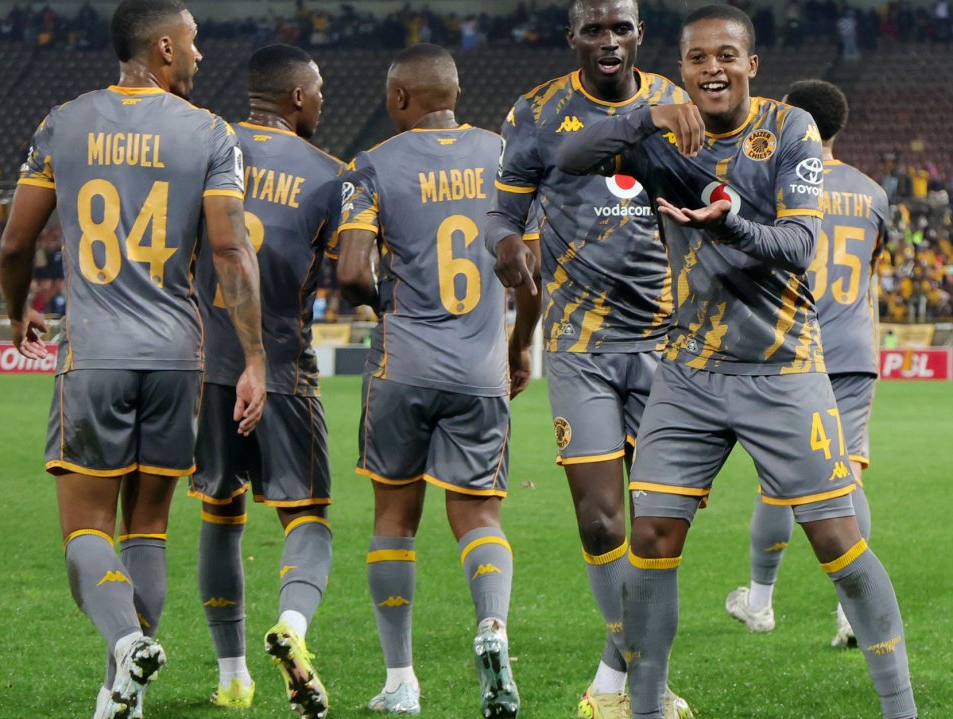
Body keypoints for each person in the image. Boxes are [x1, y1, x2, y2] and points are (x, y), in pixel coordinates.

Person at [556, 6, 916, 719]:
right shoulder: (658, 136)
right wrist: (642, 119)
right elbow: (567, 159)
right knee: (652, 535)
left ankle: (901, 710)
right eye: (695, 59)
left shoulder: (789, 130)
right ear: (681, 68)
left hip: (783, 368)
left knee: (838, 539)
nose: (711, 69)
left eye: (726, 55)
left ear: (752, 65)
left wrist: (733, 223)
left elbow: (798, 245)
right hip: (688, 371)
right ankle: (648, 706)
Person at [0, 2, 266, 718]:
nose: (203, 57)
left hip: (95, 357)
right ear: (166, 47)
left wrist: (15, 308)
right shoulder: (209, 133)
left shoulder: (63, 122)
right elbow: (233, 253)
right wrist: (256, 357)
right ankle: (122, 694)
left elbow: (15, 246)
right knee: (147, 529)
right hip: (177, 359)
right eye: (198, 44)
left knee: (86, 530)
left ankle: (122, 649)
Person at [487, 1, 691, 715]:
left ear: (641, 34)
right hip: (580, 343)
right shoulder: (537, 112)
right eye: (594, 29)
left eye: (621, 28)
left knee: (659, 523)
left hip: (669, 340)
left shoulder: (677, 101)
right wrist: (508, 247)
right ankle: (646, 683)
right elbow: (503, 214)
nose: (609, 41)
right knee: (603, 521)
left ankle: (615, 677)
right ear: (572, 36)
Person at [335, 43, 523, 719]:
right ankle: (493, 629)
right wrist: (516, 342)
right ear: (456, 92)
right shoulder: (503, 155)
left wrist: (390, 306)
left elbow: (353, 270)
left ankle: (401, 680)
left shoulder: (373, 165)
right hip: (480, 367)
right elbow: (528, 262)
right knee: (479, 514)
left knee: (394, 520)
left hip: (403, 365)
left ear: (399, 100)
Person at [188, 43, 341, 718]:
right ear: (299, 98)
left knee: (220, 516)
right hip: (280, 366)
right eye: (320, 91)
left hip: (205, 367)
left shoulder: (201, 148)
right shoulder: (331, 174)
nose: (324, 101)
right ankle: (294, 628)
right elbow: (354, 268)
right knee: (306, 516)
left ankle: (233, 678)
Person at [725, 79, 889, 649]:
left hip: (788, 346)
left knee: (778, 481)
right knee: (845, 477)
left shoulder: (770, 180)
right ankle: (852, 611)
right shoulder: (872, 193)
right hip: (853, 352)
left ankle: (760, 602)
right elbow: (872, 270)